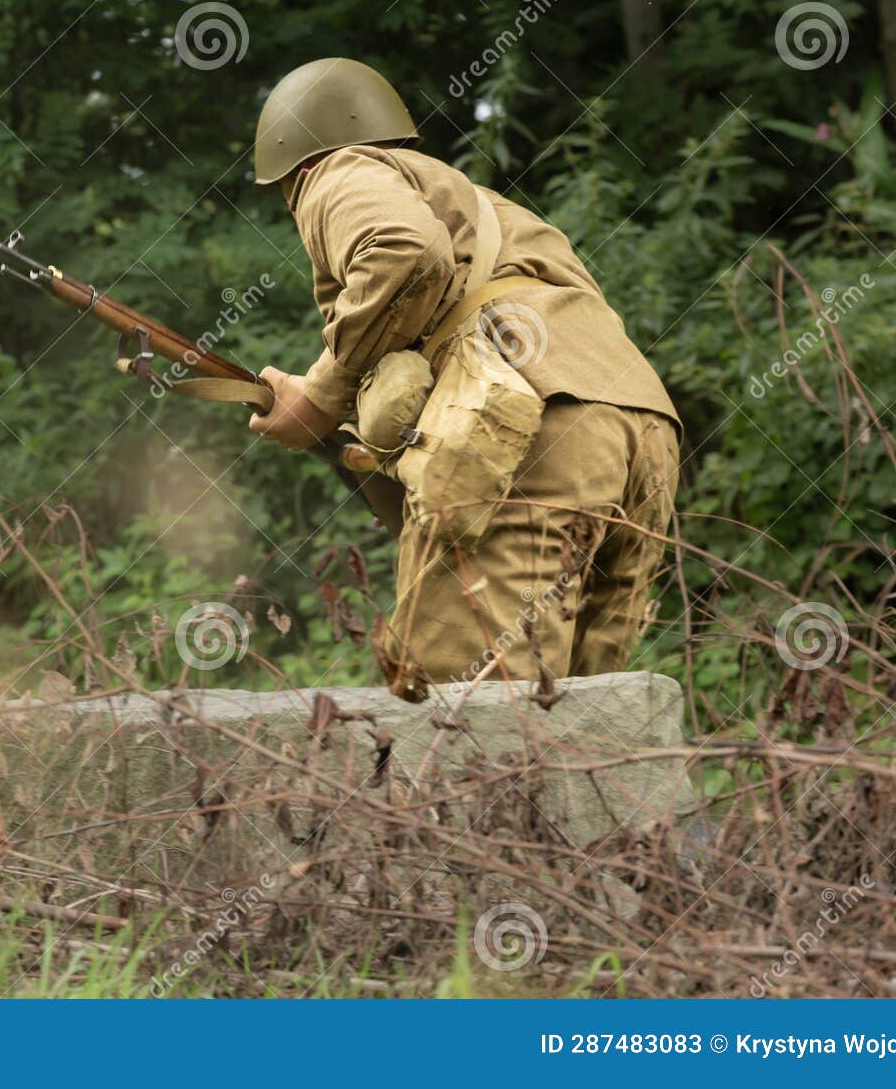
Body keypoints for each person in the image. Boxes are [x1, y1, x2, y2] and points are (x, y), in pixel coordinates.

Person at [247, 58, 680, 700]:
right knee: (592, 728)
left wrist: (319, 394)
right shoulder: (485, 210)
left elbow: (404, 249)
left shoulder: (337, 173)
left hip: (530, 430)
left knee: (469, 722)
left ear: (298, 168)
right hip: (640, 430)